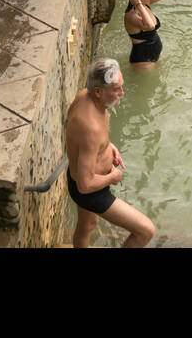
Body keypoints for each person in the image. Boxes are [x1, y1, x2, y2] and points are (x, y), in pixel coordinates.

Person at [65, 57, 155, 248]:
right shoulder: (91, 128)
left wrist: (106, 146)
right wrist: (113, 177)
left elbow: (76, 135)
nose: (122, 93)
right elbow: (85, 184)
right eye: (116, 89)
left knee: (88, 225)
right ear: (98, 91)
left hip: (80, 175)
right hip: (91, 191)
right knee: (145, 230)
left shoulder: (84, 96)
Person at [125, 0, 171, 69]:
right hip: (143, 60)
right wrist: (139, 5)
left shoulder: (146, 3)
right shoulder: (131, 16)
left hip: (156, 52)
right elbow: (150, 26)